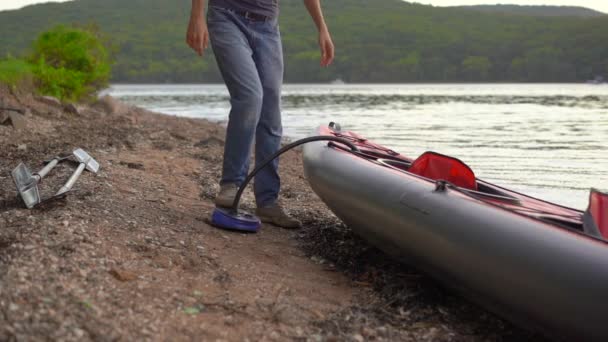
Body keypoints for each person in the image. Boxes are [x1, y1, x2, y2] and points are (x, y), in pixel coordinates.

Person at [186, 0, 334, 229]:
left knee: (271, 116)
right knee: (250, 97)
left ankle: (267, 202)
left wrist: (322, 28)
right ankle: (231, 186)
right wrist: (197, 16)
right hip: (227, 17)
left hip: (268, 26)